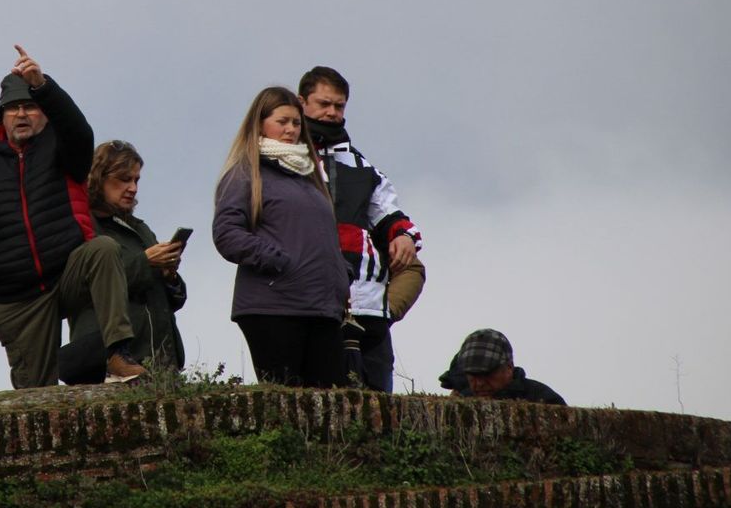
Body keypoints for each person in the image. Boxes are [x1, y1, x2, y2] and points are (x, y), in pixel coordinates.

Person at [0, 46, 146, 388]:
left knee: (103, 248)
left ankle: (118, 353)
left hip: (67, 272)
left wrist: (44, 86)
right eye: (13, 108)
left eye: (30, 106)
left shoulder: (62, 146)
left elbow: (80, 132)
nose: (22, 114)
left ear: (43, 113)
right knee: (34, 397)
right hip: (16, 298)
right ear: (1, 117)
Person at [298, 66, 426, 392]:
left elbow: (390, 213)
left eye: (338, 106)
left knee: (378, 401)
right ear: (301, 103)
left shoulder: (362, 167)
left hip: (367, 305)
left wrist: (401, 235)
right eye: (323, 104)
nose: (331, 112)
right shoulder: (282, 160)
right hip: (306, 302)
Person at [212, 86, 349, 388]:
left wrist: (340, 273)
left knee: (332, 407)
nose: (291, 130)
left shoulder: (310, 176)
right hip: (273, 305)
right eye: (282, 121)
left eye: (296, 123)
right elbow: (226, 233)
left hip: (321, 307)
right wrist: (275, 259)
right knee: (285, 408)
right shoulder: (246, 174)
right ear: (260, 123)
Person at [57, 141, 187, 384]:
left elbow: (175, 301)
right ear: (99, 178)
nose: (133, 188)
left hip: (160, 363)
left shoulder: (140, 229)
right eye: (124, 179)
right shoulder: (82, 227)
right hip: (106, 365)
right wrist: (146, 263)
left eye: (136, 180)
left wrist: (170, 277)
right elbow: (94, 284)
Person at [439, 328, 566, 405]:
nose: (480, 384)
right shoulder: (461, 399)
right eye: (473, 375)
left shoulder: (542, 398)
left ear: (509, 367)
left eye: (487, 374)